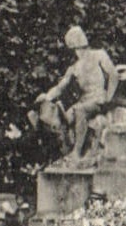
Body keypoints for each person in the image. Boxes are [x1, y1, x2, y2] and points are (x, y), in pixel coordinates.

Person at [38, 26, 119, 163]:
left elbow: (113, 75)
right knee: (67, 116)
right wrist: (47, 96)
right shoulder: (75, 67)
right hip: (84, 101)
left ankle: (77, 151)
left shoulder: (99, 55)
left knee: (79, 110)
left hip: (99, 100)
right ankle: (66, 149)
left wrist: (109, 97)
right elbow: (60, 87)